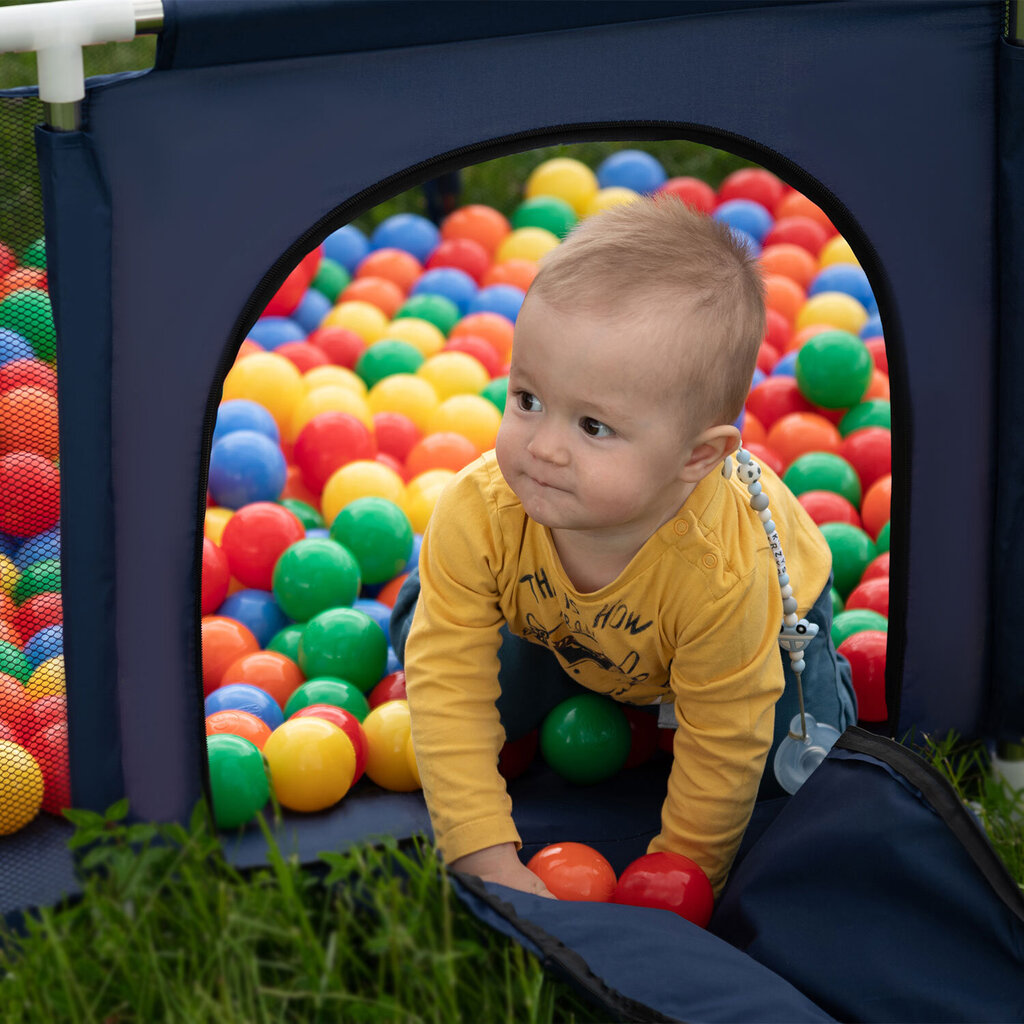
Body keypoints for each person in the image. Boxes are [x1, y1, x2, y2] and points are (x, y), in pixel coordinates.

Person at [391, 195, 856, 900]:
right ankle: (582, 678)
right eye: (528, 400)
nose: (543, 448)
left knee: (792, 765)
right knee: (434, 661)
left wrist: (681, 874)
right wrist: (481, 853)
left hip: (766, 630)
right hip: (572, 629)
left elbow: (724, 743)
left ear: (697, 458)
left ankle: (820, 683)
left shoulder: (724, 574)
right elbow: (450, 688)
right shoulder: (481, 511)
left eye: (594, 427)